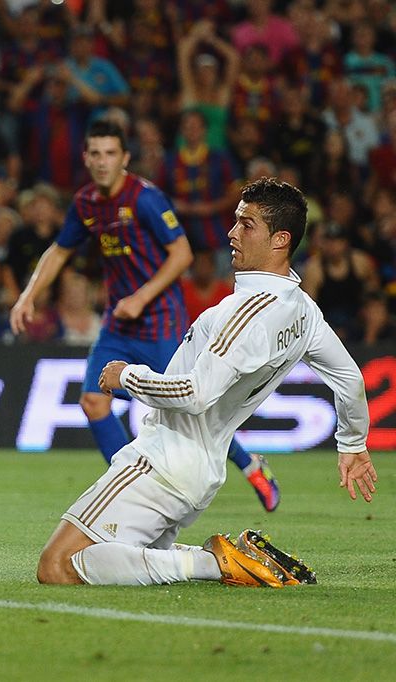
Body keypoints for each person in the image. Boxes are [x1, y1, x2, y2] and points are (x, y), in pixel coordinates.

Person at [36, 178, 376, 588]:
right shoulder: (303, 311)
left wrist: (126, 375)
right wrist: (352, 442)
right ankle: (227, 559)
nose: (232, 233)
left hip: (163, 460)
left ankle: (219, 563)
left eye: (246, 225)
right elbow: (349, 379)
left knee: (57, 566)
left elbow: (195, 393)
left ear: (280, 240)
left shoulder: (246, 313)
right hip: (200, 472)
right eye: (235, 221)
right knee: (127, 559)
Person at [10, 120, 281, 512]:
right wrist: (28, 295)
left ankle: (251, 465)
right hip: (118, 324)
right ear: (86, 158)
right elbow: (60, 250)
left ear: (124, 158)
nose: (102, 162)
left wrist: (140, 297)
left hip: (159, 321)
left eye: (110, 153)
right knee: (93, 402)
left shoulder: (145, 199)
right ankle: (130, 484)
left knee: (192, 410)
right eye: (95, 154)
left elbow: (182, 254)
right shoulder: (86, 203)